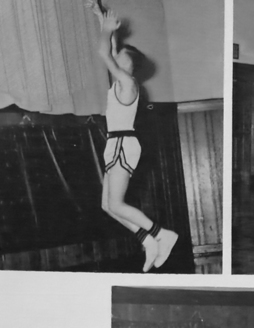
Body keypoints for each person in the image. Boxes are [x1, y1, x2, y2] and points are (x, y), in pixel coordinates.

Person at [87, 3, 178, 272]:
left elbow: (104, 51)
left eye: (121, 58)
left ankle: (162, 234)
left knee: (116, 203)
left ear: (129, 65)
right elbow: (112, 49)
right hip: (116, 143)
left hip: (124, 144)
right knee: (107, 205)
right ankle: (147, 240)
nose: (116, 59)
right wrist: (101, 16)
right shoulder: (121, 81)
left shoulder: (127, 83)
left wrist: (105, 31)